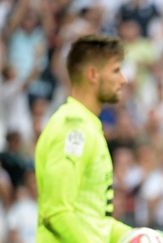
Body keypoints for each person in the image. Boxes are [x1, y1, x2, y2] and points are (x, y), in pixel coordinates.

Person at [34, 34, 131, 242]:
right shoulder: (72, 130)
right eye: (116, 70)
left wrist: (133, 235)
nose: (123, 79)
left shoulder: (89, 127)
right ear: (93, 75)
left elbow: (95, 221)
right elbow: (56, 213)